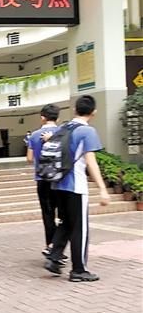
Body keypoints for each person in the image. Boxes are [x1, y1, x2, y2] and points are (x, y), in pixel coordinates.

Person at [44, 95, 110, 282]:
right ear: (93, 113)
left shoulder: (63, 127)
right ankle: (79, 270)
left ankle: (54, 257)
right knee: (79, 228)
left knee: (65, 222)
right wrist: (102, 188)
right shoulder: (87, 131)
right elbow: (91, 161)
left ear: (74, 110)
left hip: (57, 182)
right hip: (76, 186)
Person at [27, 104, 61, 257]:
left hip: (42, 178)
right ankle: (59, 245)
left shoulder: (34, 135)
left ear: (42, 118)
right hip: (60, 179)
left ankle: (50, 244)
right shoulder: (63, 133)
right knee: (63, 213)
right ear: (57, 118)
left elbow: (29, 158)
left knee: (48, 214)